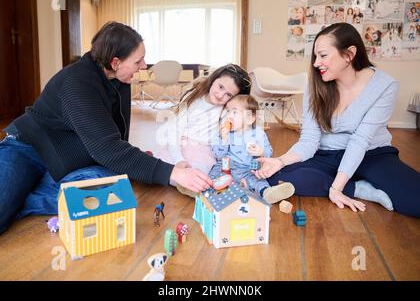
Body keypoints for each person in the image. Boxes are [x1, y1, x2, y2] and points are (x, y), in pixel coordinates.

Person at [0, 21, 213, 234]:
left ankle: (23, 196)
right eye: (138, 60)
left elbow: (114, 140)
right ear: (115, 62)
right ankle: (20, 195)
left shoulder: (119, 80)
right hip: (28, 148)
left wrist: (138, 164)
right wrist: (172, 172)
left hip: (68, 160)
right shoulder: (76, 83)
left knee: (109, 184)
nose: (144, 65)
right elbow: (109, 149)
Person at [253, 23, 420, 217]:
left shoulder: (385, 85)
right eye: (316, 56)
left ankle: (338, 182)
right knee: (273, 177)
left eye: (323, 55)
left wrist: (336, 189)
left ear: (349, 54)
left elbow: (360, 140)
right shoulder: (315, 86)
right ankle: (357, 188)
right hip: (327, 155)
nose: (316, 63)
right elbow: (309, 140)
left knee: (415, 202)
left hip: (372, 154)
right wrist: (280, 161)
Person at [156, 64, 251, 183]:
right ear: (213, 79)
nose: (221, 95)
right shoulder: (194, 99)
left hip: (205, 151)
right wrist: (179, 160)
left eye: (229, 94)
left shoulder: (228, 109)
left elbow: (235, 137)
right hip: (181, 144)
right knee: (164, 172)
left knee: (202, 177)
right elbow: (174, 131)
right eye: (220, 87)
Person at [209, 95, 295, 204]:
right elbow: (218, 155)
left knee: (258, 179)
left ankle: (267, 193)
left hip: (248, 168)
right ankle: (228, 190)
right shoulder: (223, 133)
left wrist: (261, 152)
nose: (229, 116)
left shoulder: (258, 133)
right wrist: (224, 139)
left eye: (234, 112)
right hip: (227, 167)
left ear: (250, 118)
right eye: (227, 111)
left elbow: (268, 154)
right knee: (215, 175)